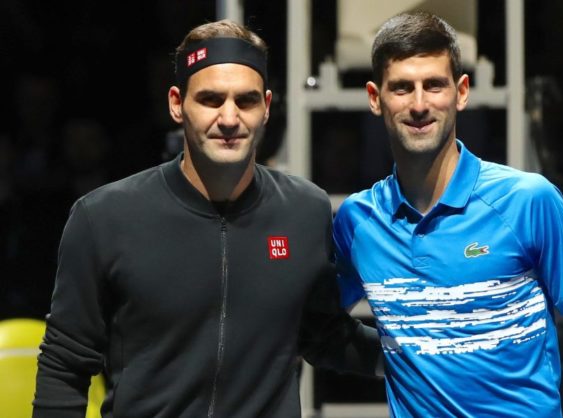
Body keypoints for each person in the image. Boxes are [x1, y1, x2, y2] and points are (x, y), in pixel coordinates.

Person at [33, 19, 381, 418]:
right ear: (177, 104)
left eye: (245, 101)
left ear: (266, 107)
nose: (230, 118)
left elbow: (322, 335)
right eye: (211, 100)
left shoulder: (305, 210)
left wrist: (423, 356)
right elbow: (65, 364)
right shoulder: (104, 217)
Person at [332, 11, 563, 417]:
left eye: (435, 85)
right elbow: (304, 325)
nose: (420, 104)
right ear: (376, 98)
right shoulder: (358, 221)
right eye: (403, 88)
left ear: (461, 92)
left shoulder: (529, 201)